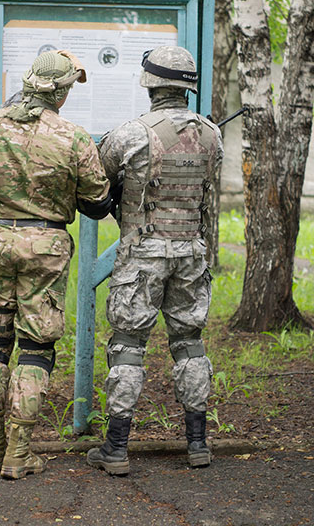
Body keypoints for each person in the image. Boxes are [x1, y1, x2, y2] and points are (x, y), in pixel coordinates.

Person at [0, 50, 111, 479]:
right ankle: (19, 453)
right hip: (45, 247)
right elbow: (98, 205)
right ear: (61, 93)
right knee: (35, 346)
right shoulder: (73, 138)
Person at [87, 46, 224, 475]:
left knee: (128, 347)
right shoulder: (212, 134)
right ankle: (198, 444)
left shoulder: (130, 133)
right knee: (190, 344)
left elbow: (99, 182)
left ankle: (116, 448)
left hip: (142, 258)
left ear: (150, 84)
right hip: (190, 255)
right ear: (187, 86)